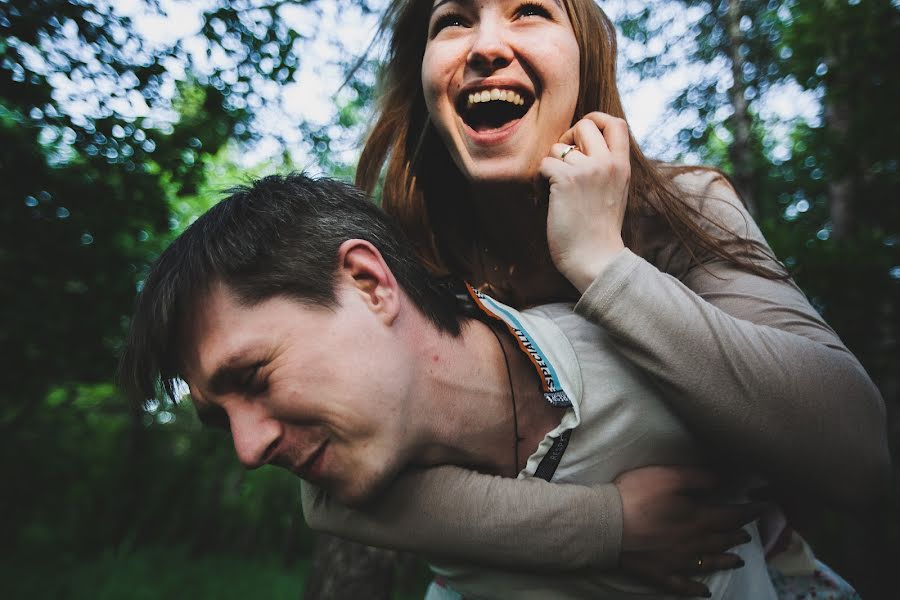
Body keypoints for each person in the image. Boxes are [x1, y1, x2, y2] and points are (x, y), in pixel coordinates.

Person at [302, 0, 891, 597]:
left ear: (588, 60)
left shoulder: (684, 209)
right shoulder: (398, 263)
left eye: (529, 10)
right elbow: (327, 489)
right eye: (453, 21)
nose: (484, 46)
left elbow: (857, 453)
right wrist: (605, 526)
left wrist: (602, 264)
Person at [120, 173, 775, 599]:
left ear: (370, 283)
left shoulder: (649, 360)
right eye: (220, 416)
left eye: (254, 377)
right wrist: (609, 524)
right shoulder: (425, 542)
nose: (247, 449)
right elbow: (322, 509)